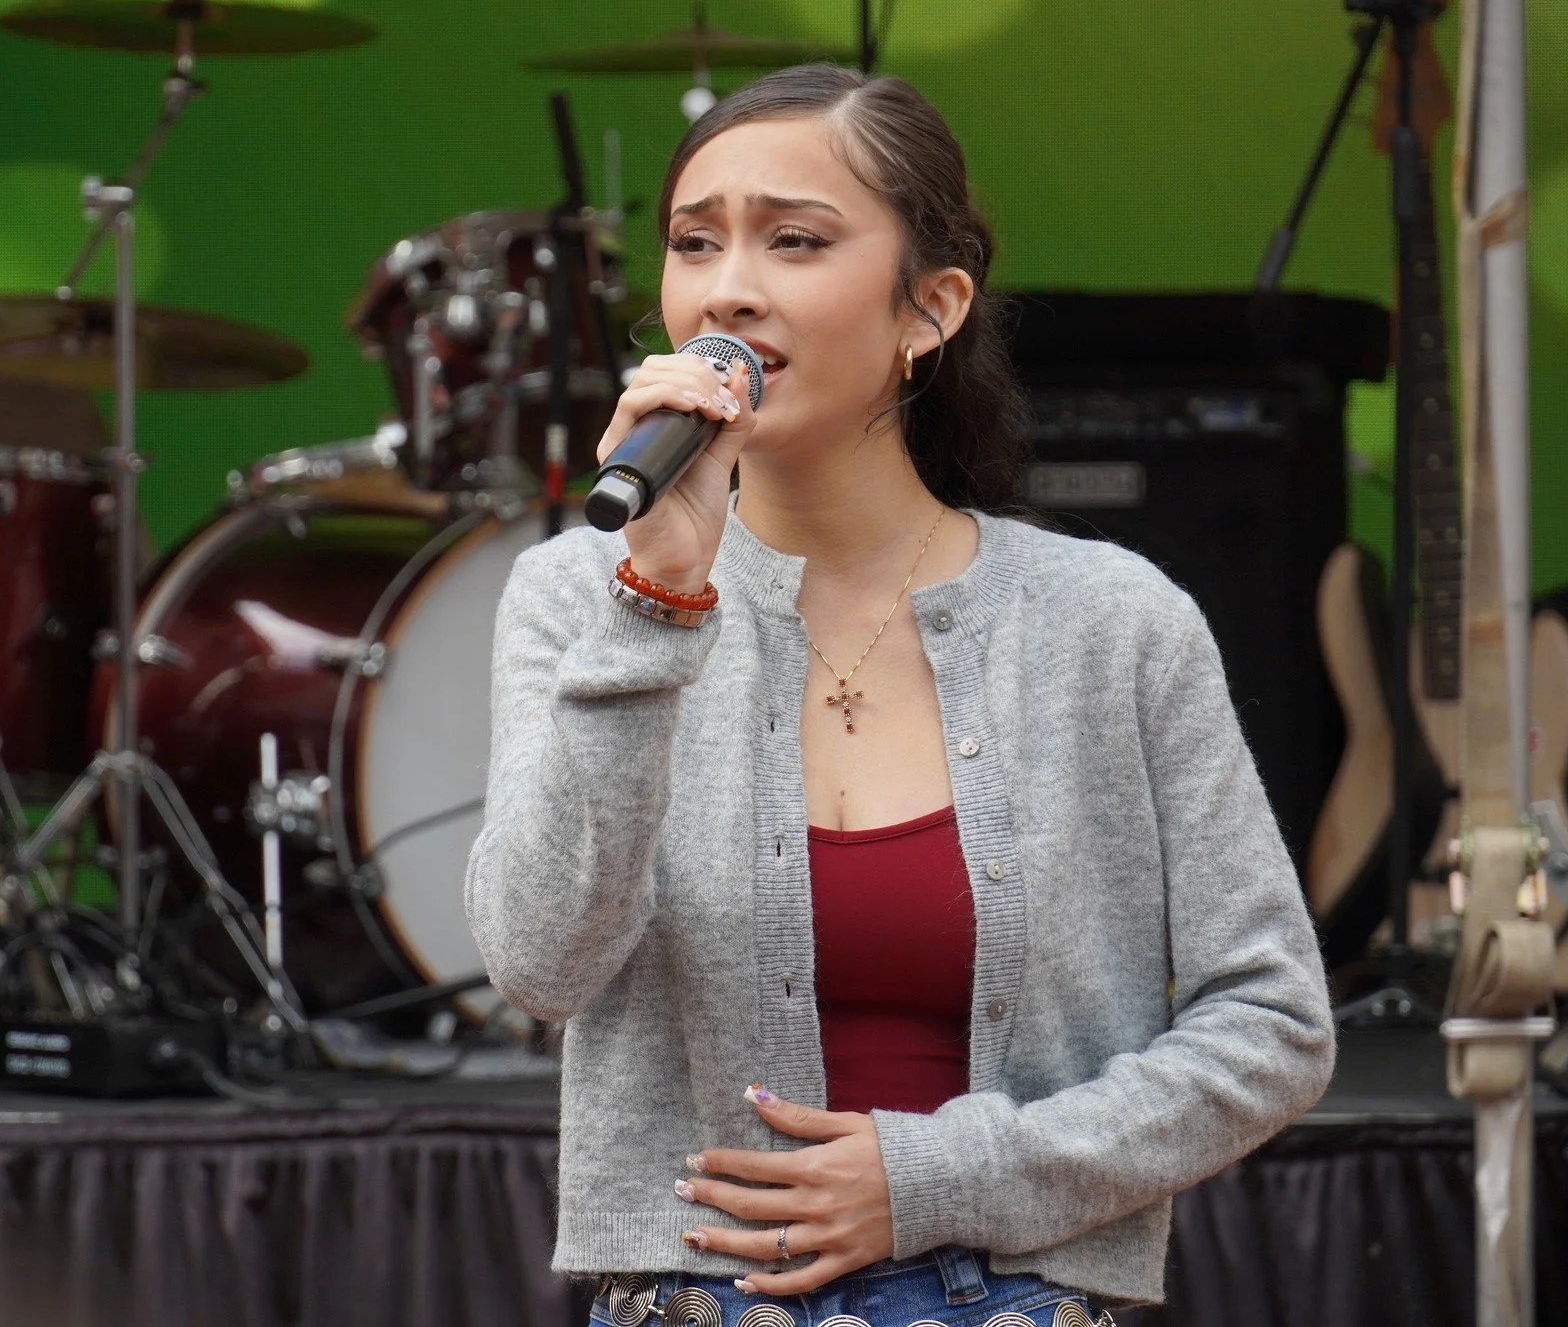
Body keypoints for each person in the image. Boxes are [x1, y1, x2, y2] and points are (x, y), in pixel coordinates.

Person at [464, 64, 1333, 1326]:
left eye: (795, 240)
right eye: (692, 242)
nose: (726, 289)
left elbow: (1270, 1025)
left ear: (929, 308)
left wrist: (937, 1176)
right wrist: (654, 608)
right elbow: (540, 966)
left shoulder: (1110, 622)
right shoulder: (578, 598)